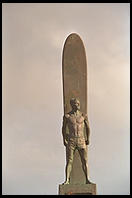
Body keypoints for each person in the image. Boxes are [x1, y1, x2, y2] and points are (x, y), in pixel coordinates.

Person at [62, 98, 91, 185]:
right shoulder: (67, 116)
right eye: (75, 104)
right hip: (71, 140)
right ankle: (67, 180)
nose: (77, 105)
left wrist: (88, 138)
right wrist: (64, 138)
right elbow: (63, 128)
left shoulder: (83, 115)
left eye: (78, 103)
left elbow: (88, 127)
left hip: (81, 140)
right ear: (72, 105)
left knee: (84, 160)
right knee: (69, 161)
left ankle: (87, 179)